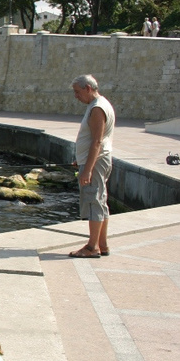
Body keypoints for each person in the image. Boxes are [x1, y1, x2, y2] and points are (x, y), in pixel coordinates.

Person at [68, 74, 115, 258]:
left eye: (77, 92)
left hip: (95, 163)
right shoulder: (102, 104)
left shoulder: (97, 108)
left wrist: (87, 169)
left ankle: (91, 247)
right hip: (96, 161)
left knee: (94, 201)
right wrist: (81, 160)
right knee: (100, 201)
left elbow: (97, 142)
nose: (76, 96)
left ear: (88, 88)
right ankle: (102, 245)